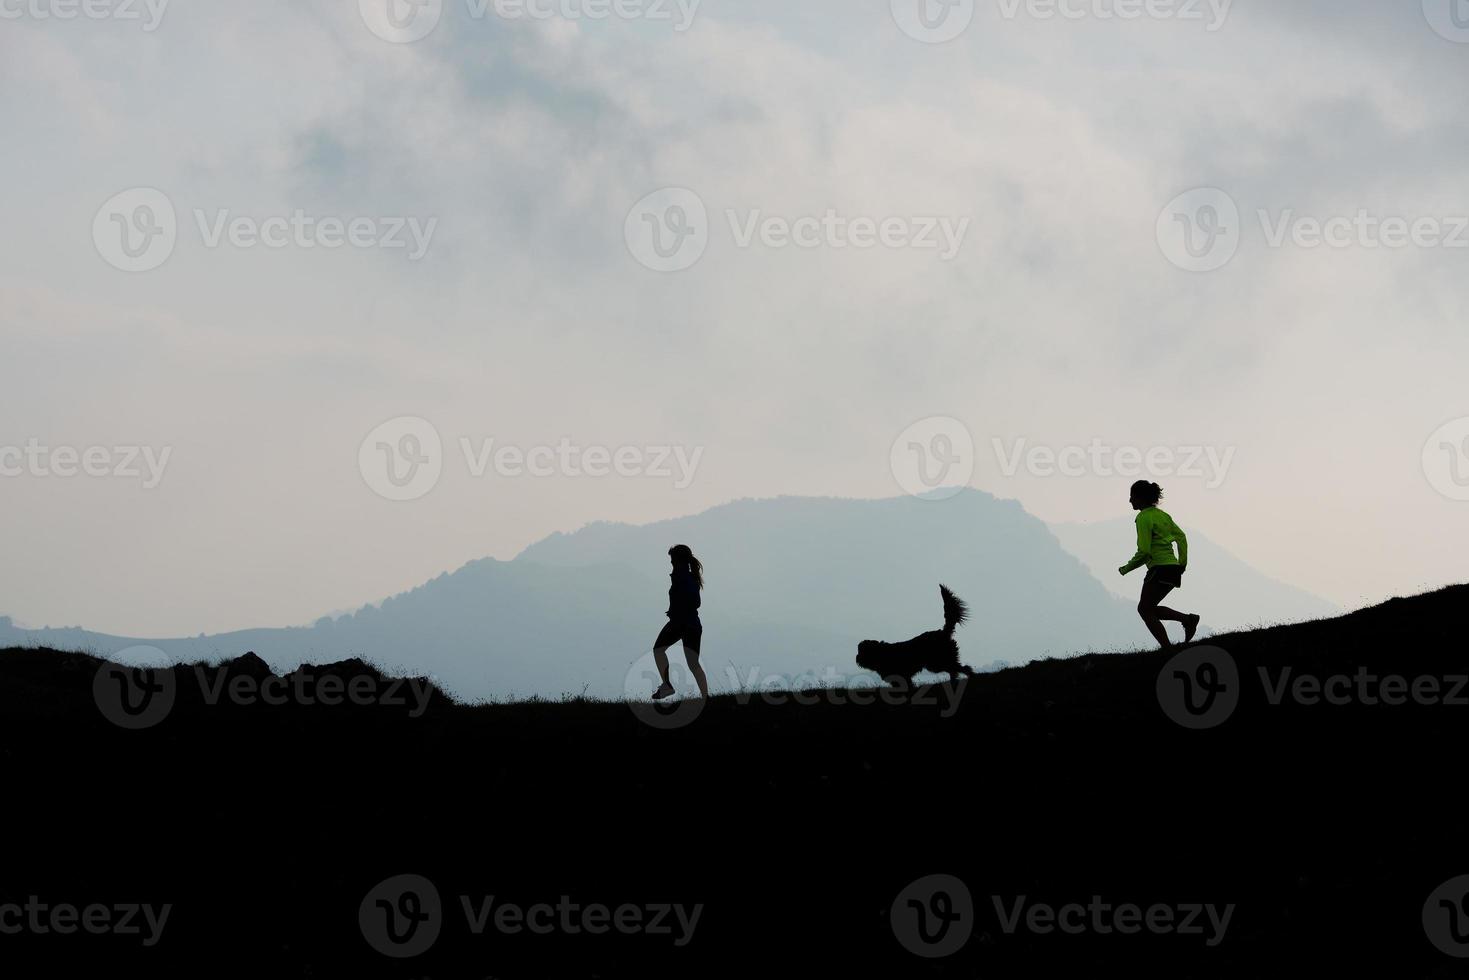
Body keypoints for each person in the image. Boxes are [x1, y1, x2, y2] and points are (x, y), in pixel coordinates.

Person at [1118, 481, 1201, 649]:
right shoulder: (1163, 515)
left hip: (1159, 569)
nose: (1129, 500)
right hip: (1173, 569)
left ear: (1140, 498)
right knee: (1148, 609)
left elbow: (1144, 551)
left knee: (1144, 610)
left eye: (1132, 496)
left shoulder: (1143, 518)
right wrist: (1182, 563)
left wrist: (1126, 568)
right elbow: (1181, 537)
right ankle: (1188, 620)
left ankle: (1167, 647)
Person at [652, 544, 708, 700]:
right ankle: (705, 698)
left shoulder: (684, 578)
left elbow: (694, 601)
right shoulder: (687, 577)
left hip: (681, 623)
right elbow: (692, 601)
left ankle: (667, 686)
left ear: (679, 561)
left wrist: (678, 610)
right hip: (691, 623)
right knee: (693, 663)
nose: (671, 563)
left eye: (673, 560)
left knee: (659, 649)